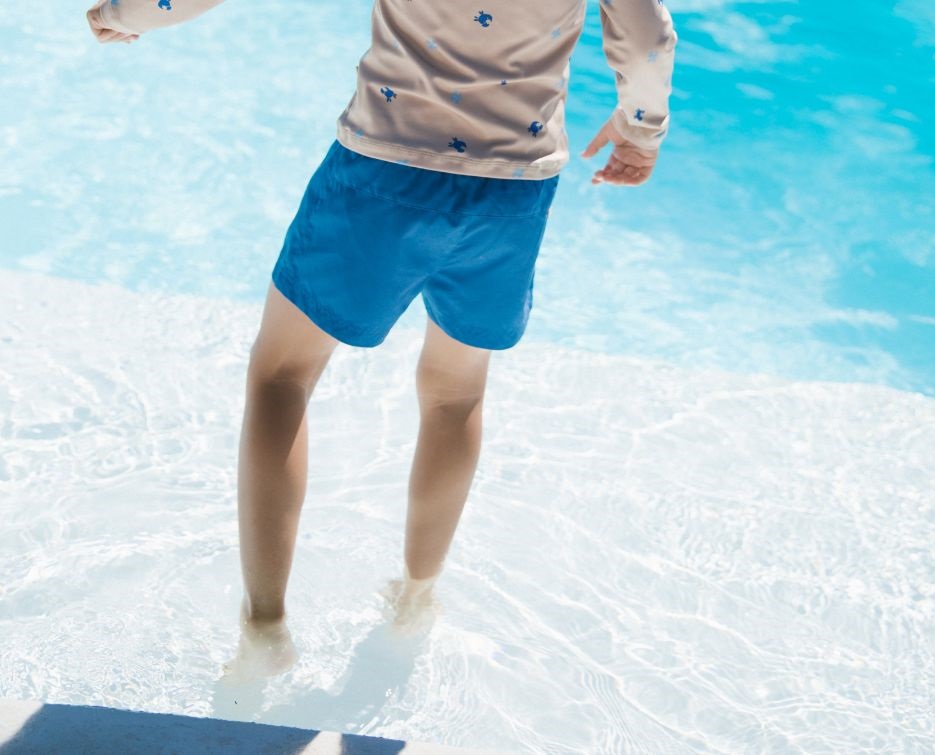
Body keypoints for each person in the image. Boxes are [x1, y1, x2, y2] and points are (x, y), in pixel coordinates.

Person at [86, 0, 678, 679]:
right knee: (456, 394)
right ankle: (416, 596)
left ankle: (266, 625)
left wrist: (131, 13)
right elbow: (646, 34)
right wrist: (641, 129)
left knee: (282, 376)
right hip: (512, 193)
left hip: (382, 172)